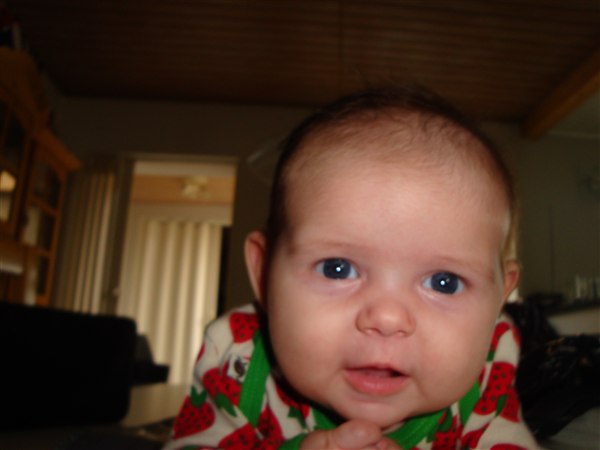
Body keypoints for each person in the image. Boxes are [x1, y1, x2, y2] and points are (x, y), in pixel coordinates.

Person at [164, 86, 538, 449]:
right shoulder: (239, 359)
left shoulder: (489, 367)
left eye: (444, 282)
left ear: (498, 300)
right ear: (263, 274)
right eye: (337, 269)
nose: (387, 318)